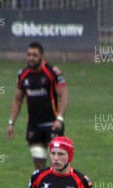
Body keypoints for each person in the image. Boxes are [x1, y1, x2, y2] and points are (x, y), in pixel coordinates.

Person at [6, 41, 68, 170]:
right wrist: (11, 122)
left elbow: (63, 95)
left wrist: (60, 119)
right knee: (39, 165)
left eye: (34, 55)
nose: (31, 58)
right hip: (34, 125)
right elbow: (18, 100)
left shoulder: (52, 73)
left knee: (58, 164)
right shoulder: (23, 75)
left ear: (42, 56)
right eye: (29, 55)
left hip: (52, 124)